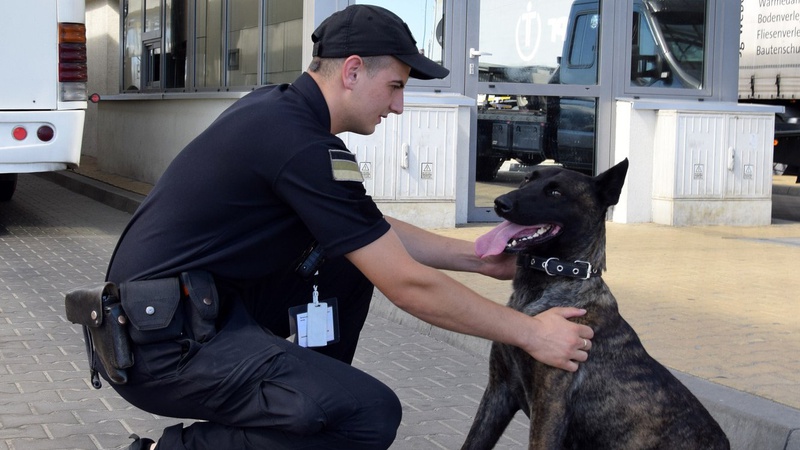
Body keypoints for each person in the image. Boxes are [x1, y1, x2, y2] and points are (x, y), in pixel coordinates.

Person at [103, 5, 593, 450]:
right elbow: (406, 284)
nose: (398, 106)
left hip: (182, 320)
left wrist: (479, 259)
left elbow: (370, 231)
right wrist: (530, 333)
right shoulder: (300, 143)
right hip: (164, 348)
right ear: (354, 71)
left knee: (347, 261)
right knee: (368, 415)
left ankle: (316, 401)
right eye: (396, 87)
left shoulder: (278, 112)